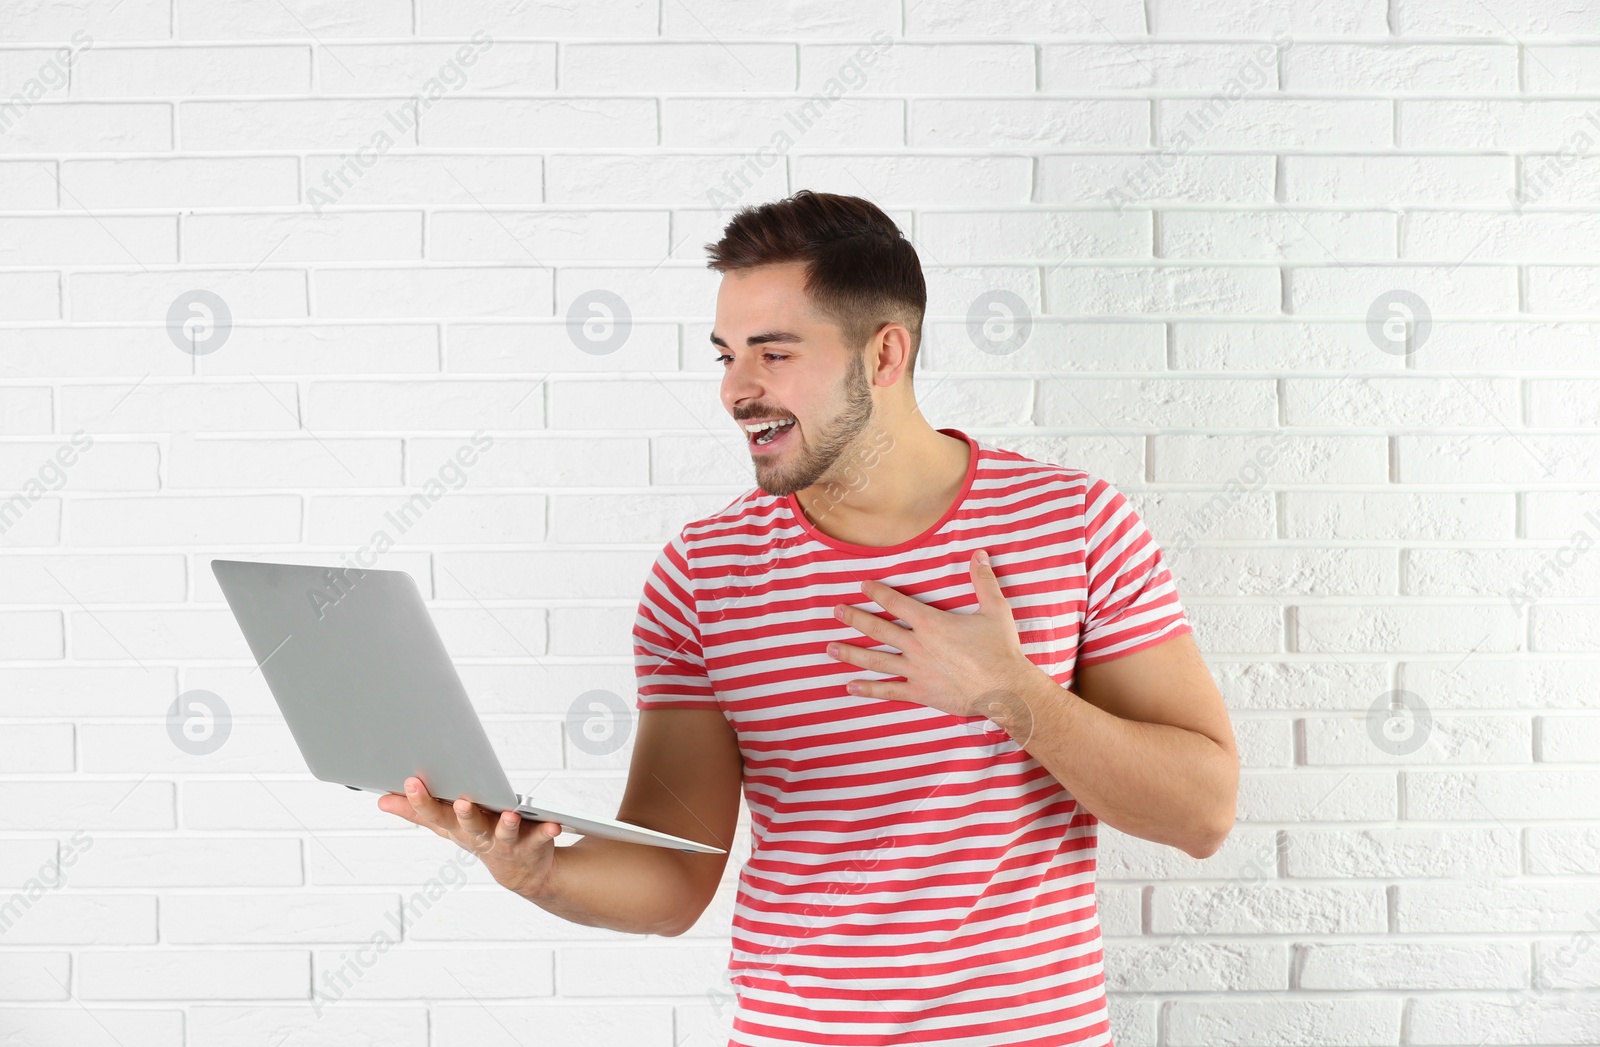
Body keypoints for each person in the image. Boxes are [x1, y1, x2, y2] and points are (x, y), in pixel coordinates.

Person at [380, 189, 1239, 1046]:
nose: (735, 390)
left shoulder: (1072, 525)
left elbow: (1202, 812)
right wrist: (534, 872)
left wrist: (1013, 695)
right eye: (724, 356)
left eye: (773, 354)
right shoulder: (703, 575)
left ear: (885, 354)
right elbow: (673, 881)